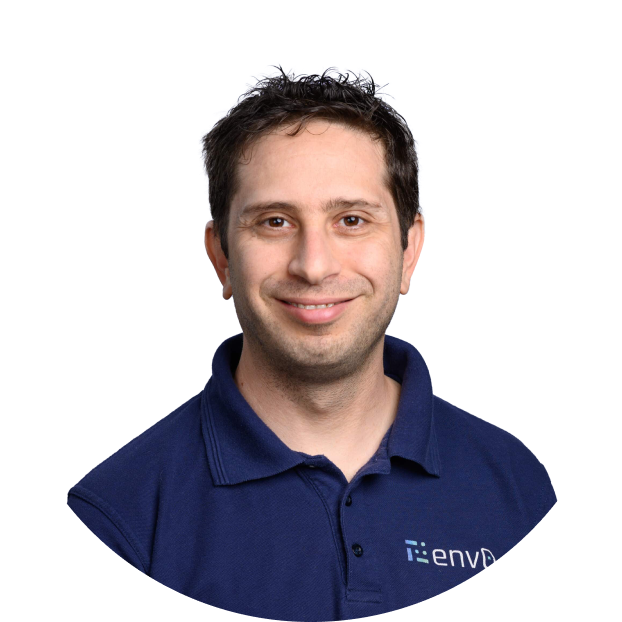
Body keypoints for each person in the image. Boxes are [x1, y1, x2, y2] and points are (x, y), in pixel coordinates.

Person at [66, 63, 594, 622]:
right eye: (274, 222)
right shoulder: (118, 517)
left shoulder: (514, 483)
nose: (314, 266)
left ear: (412, 249)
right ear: (220, 256)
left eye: (352, 220)